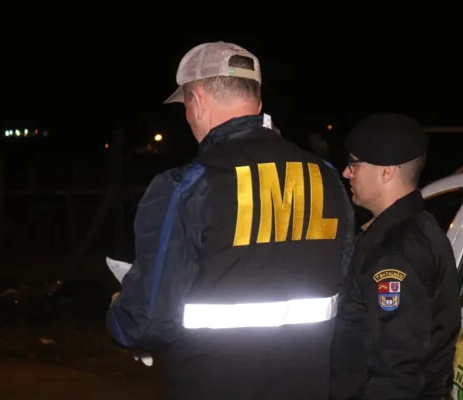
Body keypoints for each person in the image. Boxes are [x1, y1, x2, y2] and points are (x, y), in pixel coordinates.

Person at [106, 41, 355, 400]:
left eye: (187, 107)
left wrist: (119, 311)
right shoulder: (328, 178)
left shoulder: (186, 186)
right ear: (256, 99)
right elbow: (344, 286)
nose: (188, 117)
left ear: (199, 101)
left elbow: (148, 321)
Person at [329, 113, 461, 400]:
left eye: (355, 164)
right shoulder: (413, 230)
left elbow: (397, 366)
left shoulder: (396, 250)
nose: (346, 173)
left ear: (386, 172)